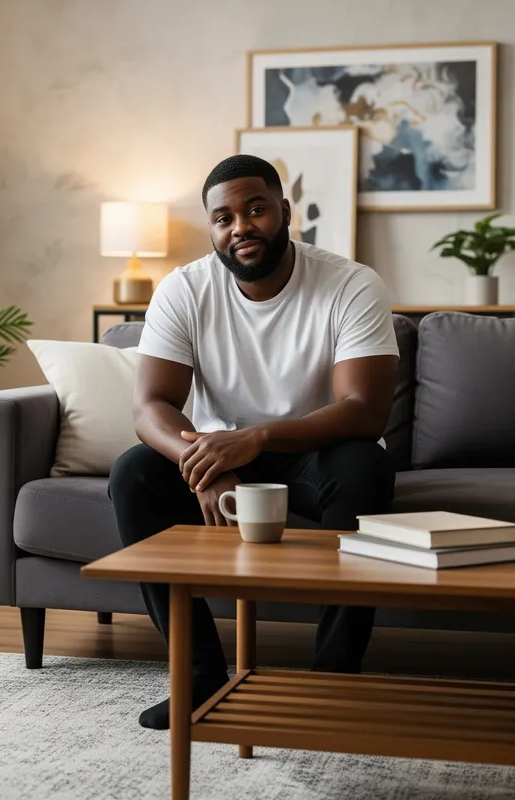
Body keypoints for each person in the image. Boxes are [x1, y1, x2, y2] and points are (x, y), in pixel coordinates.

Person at [108, 154, 400, 730]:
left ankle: (335, 677)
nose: (240, 227)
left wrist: (255, 438)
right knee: (133, 473)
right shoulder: (184, 289)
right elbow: (150, 406)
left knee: (364, 467)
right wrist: (204, 464)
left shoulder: (350, 284)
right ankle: (197, 674)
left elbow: (364, 411)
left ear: (285, 212)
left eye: (256, 209)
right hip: (220, 455)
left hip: (318, 451)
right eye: (223, 218)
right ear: (212, 228)